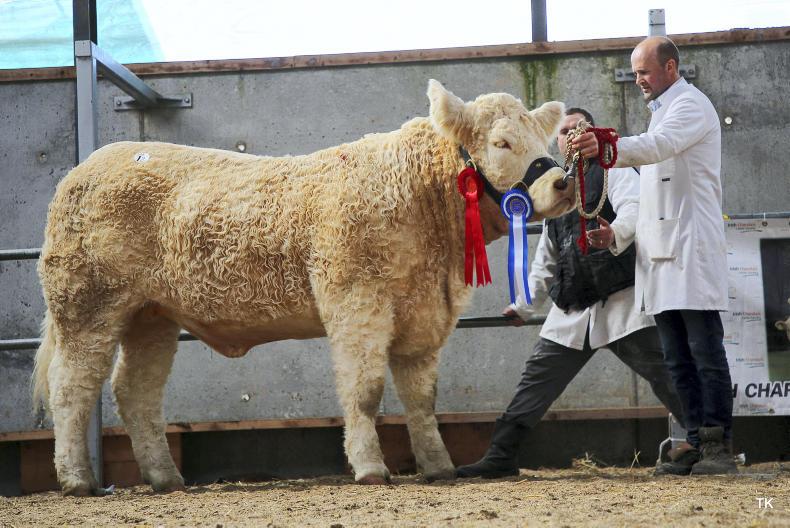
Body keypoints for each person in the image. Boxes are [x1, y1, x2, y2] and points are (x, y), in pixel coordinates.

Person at [456, 108, 685, 479]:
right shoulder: (555, 185)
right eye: (563, 132)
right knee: (536, 380)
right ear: (557, 141)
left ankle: (703, 444)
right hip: (572, 307)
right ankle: (500, 457)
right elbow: (548, 256)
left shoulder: (615, 170)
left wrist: (614, 233)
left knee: (666, 374)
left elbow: (635, 209)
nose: (570, 137)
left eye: (578, 129)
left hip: (622, 300)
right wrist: (524, 306)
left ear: (591, 134)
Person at [573, 36, 735, 475]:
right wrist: (616, 233)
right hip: (661, 255)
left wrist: (607, 146)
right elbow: (649, 196)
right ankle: (696, 442)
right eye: (636, 72)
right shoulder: (662, 110)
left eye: (644, 71)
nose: (639, 80)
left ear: (670, 67)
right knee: (677, 359)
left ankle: (719, 447)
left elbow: (658, 145)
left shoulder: (690, 105)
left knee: (704, 353)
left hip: (690, 250)